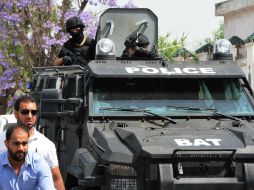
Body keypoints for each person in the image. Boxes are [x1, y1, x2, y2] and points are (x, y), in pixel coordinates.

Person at [0, 96, 65, 190]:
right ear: (15, 114)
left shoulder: (46, 145)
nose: (30, 116)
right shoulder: (1, 139)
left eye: (33, 112)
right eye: (25, 112)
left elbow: (56, 179)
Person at [0, 125, 55, 190]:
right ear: (6, 144)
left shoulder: (39, 163)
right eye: (16, 143)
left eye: (24, 143)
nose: (21, 148)